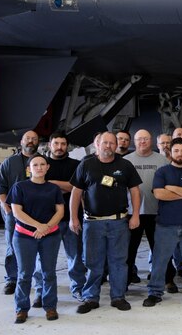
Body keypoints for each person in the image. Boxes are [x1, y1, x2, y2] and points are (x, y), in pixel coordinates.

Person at [69, 132, 142, 314]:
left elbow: (135, 191)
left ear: (116, 145)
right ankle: (90, 298)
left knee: (118, 262)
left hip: (119, 223)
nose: (108, 146)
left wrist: (135, 215)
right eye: (105, 143)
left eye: (111, 143)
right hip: (92, 224)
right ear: (97, 144)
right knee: (93, 262)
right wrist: (73, 217)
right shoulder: (86, 164)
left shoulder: (125, 165)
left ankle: (118, 297)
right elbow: (76, 193)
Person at [144, 138, 182, 307]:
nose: (180, 154)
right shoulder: (162, 172)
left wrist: (171, 188)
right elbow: (159, 194)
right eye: (176, 151)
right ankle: (155, 293)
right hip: (165, 225)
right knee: (159, 261)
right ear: (170, 153)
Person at [9, 154, 64, 324]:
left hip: (50, 236)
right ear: (29, 169)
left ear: (47, 167)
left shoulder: (53, 189)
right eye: (35, 165)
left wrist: (45, 228)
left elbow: (60, 212)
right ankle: (21, 309)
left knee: (49, 273)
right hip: (25, 236)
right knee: (25, 274)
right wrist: (37, 226)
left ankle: (50, 306)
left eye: (42, 164)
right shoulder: (20, 187)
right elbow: (17, 212)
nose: (39, 167)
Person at [0, 130, 40, 295]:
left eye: (34, 139)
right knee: (13, 248)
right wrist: (7, 209)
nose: (30, 141)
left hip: (38, 216)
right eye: (27, 138)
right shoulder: (9, 162)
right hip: (14, 215)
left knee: (38, 248)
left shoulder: (42, 162)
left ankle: (37, 281)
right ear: (21, 141)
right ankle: (12, 280)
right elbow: (0, 186)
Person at [42, 132, 85, 302]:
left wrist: (52, 183)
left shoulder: (76, 165)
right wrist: (66, 187)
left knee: (75, 257)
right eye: (56, 143)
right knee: (45, 259)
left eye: (63, 144)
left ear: (67, 146)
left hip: (71, 218)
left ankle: (78, 288)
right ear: (50, 145)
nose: (59, 147)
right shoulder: (41, 164)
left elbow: (75, 187)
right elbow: (39, 186)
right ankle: (42, 291)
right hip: (46, 220)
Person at [124, 130, 170, 286]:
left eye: (145, 139)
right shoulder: (126, 161)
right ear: (134, 141)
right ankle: (125, 280)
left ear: (151, 141)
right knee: (129, 251)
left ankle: (166, 279)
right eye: (139, 139)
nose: (142, 142)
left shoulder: (162, 160)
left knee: (160, 250)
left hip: (157, 212)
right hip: (132, 213)